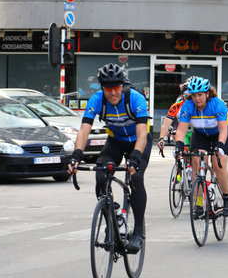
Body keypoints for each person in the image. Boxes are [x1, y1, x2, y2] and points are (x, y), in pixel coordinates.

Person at [68, 63, 151, 253]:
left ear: (122, 85)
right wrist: (76, 155)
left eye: (116, 87)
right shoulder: (97, 100)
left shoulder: (135, 98)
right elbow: (84, 130)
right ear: (102, 88)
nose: (112, 92)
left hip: (138, 142)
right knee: (101, 176)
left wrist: (136, 157)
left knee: (136, 177)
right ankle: (112, 222)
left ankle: (138, 232)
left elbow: (143, 134)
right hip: (115, 142)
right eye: (107, 88)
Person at [174, 76, 228, 216]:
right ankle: (199, 202)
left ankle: (227, 198)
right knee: (196, 162)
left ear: (207, 94)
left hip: (219, 133)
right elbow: (181, 130)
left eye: (200, 95)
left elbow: (224, 129)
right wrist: (179, 146)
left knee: (219, 165)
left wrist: (219, 146)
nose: (197, 99)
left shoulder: (217, 104)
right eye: (193, 95)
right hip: (200, 134)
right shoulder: (187, 106)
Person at [157, 82, 191, 153]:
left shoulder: (199, 105)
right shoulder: (176, 106)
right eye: (186, 96)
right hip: (182, 132)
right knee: (182, 152)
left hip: (196, 133)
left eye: (191, 96)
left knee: (200, 155)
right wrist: (161, 139)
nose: (189, 99)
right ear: (181, 96)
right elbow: (166, 125)